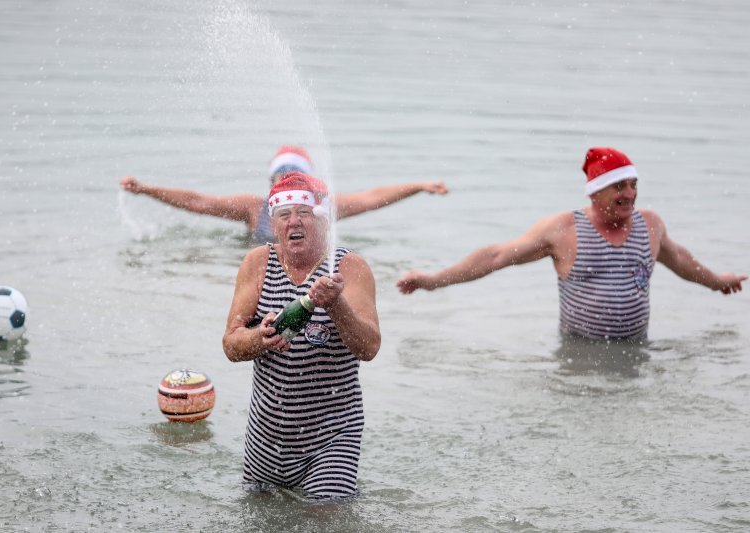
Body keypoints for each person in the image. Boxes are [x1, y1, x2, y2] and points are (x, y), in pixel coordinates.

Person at [397, 147, 746, 341]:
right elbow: (496, 256)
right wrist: (433, 280)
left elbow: (679, 259)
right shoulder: (564, 229)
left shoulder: (649, 224)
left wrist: (717, 281)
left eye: (633, 185)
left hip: (636, 350)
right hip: (580, 355)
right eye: (619, 187)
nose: (630, 195)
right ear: (596, 192)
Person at [222, 171, 380, 500]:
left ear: (323, 220)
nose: (294, 222)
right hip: (266, 437)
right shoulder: (257, 263)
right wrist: (259, 339)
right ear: (273, 223)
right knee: (261, 519)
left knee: (324, 519)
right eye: (284, 215)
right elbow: (231, 345)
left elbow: (369, 347)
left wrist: (335, 304)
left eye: (304, 213)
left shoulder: (350, 268)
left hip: (331, 437)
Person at [121, 145, 448, 243]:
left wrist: (418, 187)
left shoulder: (323, 207)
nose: (288, 184)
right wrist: (147, 189)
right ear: (271, 181)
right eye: (281, 177)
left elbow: (371, 198)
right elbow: (199, 202)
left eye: (296, 177)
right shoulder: (253, 208)